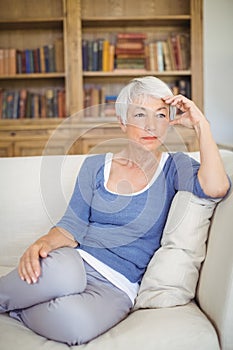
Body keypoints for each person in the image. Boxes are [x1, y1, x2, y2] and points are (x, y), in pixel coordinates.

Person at [0, 76, 230, 345]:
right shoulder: (96, 166)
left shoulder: (174, 167)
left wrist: (202, 125)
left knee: (75, 327)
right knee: (62, 275)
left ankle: (17, 308)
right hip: (77, 262)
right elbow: (70, 228)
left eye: (160, 115)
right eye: (140, 114)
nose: (150, 125)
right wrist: (42, 243)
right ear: (122, 122)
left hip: (118, 286)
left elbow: (216, 188)